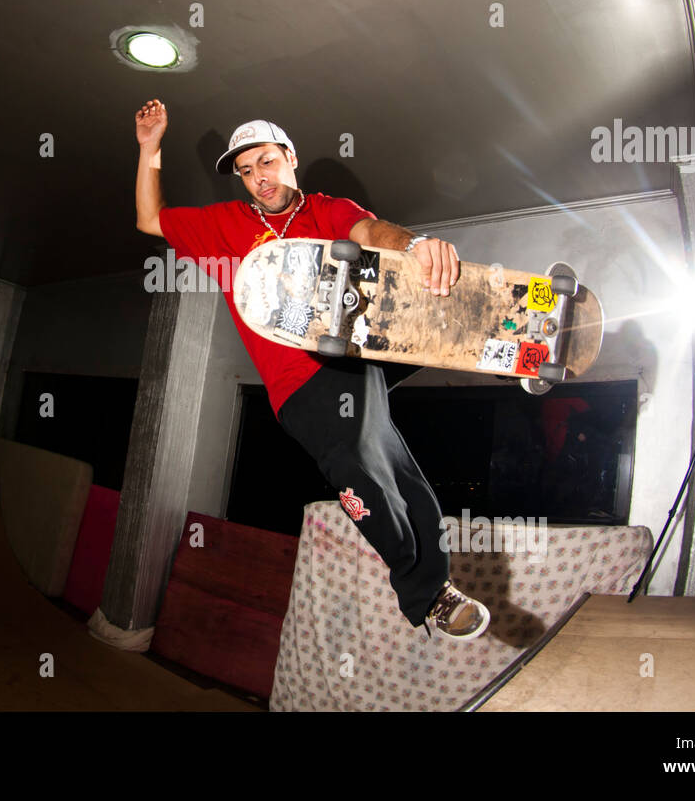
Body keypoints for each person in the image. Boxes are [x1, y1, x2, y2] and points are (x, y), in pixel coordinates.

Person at [133, 98, 490, 640]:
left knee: (395, 470)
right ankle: (423, 587)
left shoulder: (326, 209)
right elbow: (148, 219)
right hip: (294, 388)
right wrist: (150, 147)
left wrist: (414, 245)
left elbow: (370, 233)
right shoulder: (223, 226)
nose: (259, 179)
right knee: (356, 466)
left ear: (290, 158)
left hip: (352, 364)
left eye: (267, 163)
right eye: (247, 171)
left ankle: (434, 588)